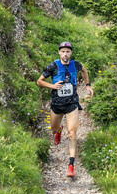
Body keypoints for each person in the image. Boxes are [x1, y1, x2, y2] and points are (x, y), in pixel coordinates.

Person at [36, 41, 93, 178]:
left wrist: (88, 85)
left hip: (72, 103)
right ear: (59, 52)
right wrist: (52, 86)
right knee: (53, 129)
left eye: (68, 51)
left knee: (72, 133)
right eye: (63, 51)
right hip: (57, 104)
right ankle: (59, 130)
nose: (65, 54)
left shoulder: (76, 64)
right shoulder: (53, 66)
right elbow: (39, 81)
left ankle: (71, 165)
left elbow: (84, 70)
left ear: (71, 53)